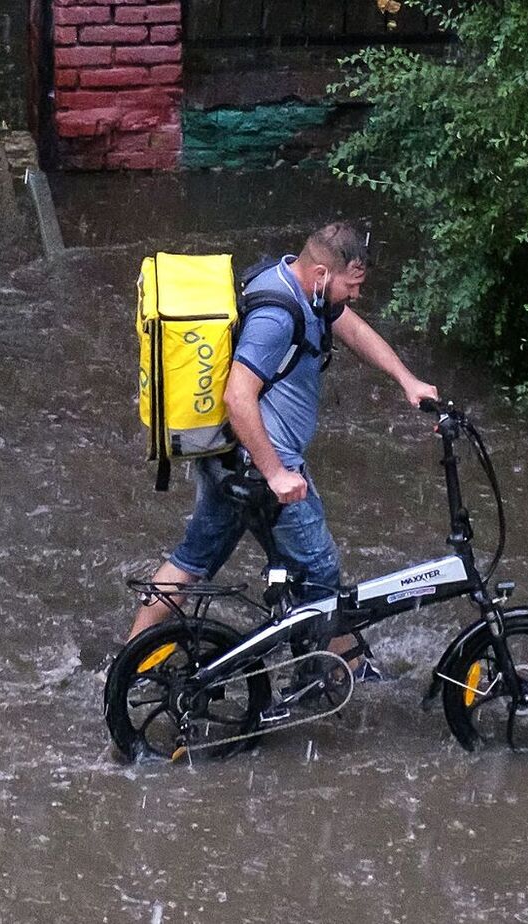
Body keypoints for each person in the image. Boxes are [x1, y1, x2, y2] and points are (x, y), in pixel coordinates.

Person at [128, 222, 441, 671]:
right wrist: (275, 472)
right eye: (350, 286)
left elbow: (354, 331)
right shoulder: (278, 317)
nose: (355, 296)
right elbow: (238, 395)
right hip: (260, 467)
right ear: (320, 274)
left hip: (227, 459)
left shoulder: (291, 282)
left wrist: (406, 380)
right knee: (320, 573)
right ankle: (326, 679)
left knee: (192, 560)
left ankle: (129, 668)